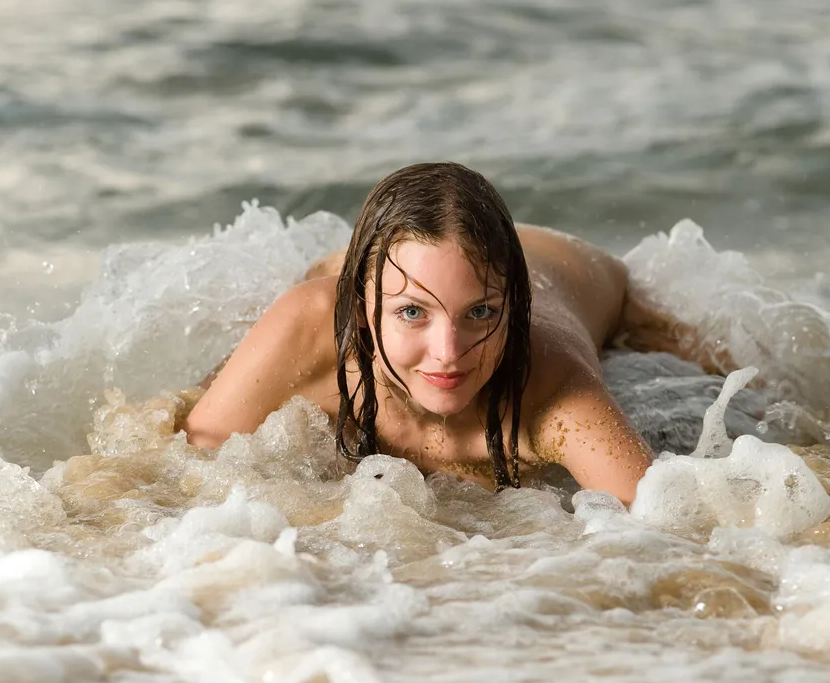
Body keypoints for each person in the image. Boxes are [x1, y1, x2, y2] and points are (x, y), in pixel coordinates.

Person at [181, 162, 728, 505]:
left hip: (576, 271)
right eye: (413, 314)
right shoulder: (310, 324)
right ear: (361, 312)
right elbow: (181, 460)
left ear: (515, 308)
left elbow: (669, 524)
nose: (449, 355)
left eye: (482, 315)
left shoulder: (556, 392)